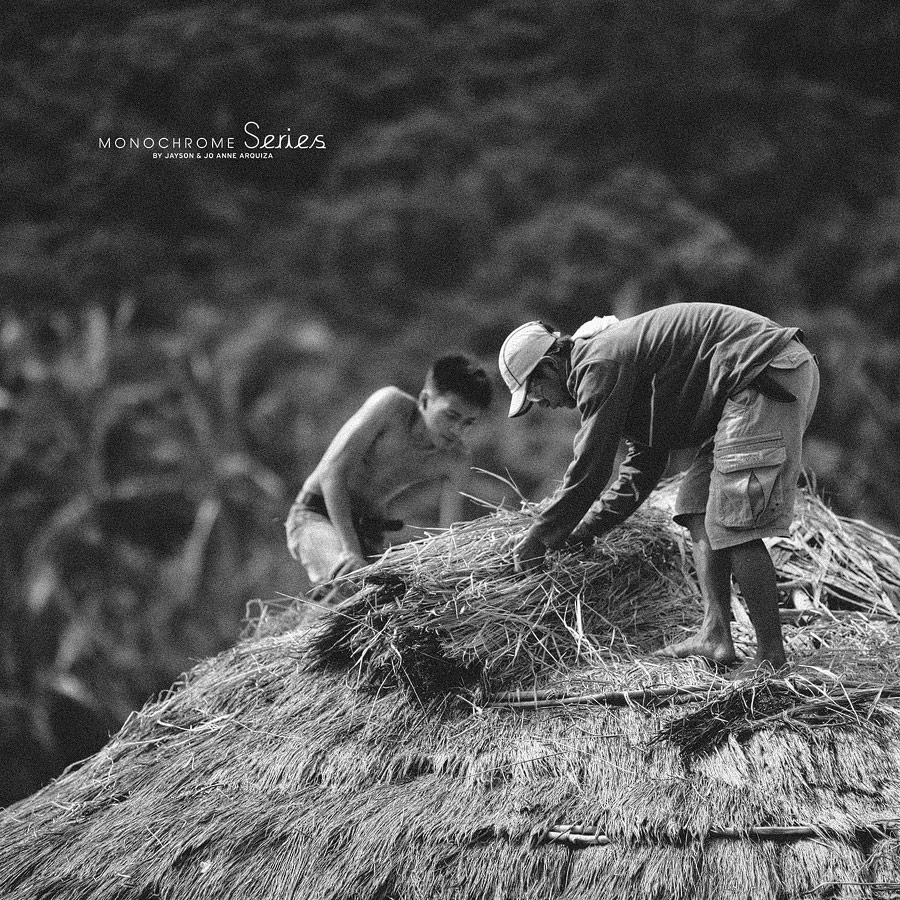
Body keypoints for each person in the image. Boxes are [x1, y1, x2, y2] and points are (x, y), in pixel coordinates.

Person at [498, 302, 819, 674]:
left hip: (765, 373)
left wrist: (541, 537)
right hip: (754, 381)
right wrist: (583, 531)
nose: (543, 405)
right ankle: (716, 636)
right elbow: (643, 468)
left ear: (551, 366)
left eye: (535, 393)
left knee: (735, 521)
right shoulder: (615, 365)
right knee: (695, 503)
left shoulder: (597, 364)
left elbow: (591, 467)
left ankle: (771, 659)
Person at [286, 354, 492, 590]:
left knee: (394, 605)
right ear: (425, 400)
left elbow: (449, 535)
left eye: (468, 423)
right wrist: (351, 550)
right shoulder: (390, 407)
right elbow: (332, 473)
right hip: (317, 515)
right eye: (451, 416)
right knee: (355, 588)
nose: (457, 430)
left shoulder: (456, 458)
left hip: (370, 536)